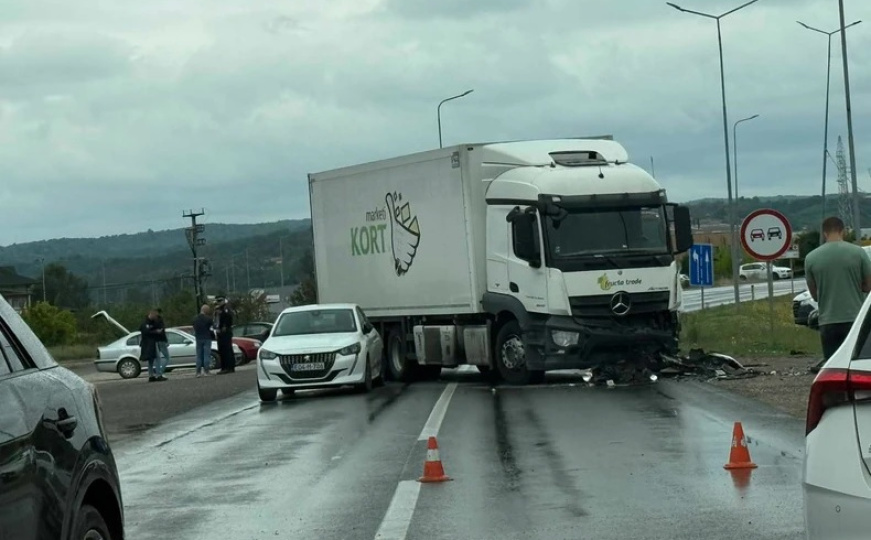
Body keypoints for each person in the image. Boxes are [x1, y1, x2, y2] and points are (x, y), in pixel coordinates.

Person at [805, 216, 871, 372]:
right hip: (855, 319)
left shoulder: (811, 258)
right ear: (843, 231)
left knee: (833, 367)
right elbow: (869, 286)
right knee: (857, 367)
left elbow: (814, 295)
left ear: (824, 233)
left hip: (828, 321)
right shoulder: (858, 253)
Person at [139, 309, 164, 382]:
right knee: (156, 358)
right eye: (155, 315)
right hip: (148, 343)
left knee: (151, 360)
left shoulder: (152, 322)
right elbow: (146, 332)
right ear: (151, 314)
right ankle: (158, 375)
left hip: (152, 342)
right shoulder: (145, 323)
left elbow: (158, 326)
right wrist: (156, 332)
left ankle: (151, 375)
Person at [215, 296, 236, 374]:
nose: (219, 302)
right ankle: (224, 367)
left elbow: (228, 318)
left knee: (227, 350)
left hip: (225, 332)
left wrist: (225, 326)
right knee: (222, 350)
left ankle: (228, 367)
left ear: (224, 301)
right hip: (220, 332)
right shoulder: (218, 310)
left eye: (220, 301)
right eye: (218, 301)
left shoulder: (226, 309)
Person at [192, 304, 214, 377]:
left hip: (198, 338)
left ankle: (198, 372)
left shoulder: (195, 318)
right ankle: (206, 371)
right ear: (206, 310)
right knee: (206, 355)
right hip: (207, 337)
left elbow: (194, 328)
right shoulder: (208, 319)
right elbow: (211, 328)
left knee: (199, 355)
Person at [153, 308, 170, 381]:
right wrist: (166, 341)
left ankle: (157, 372)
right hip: (161, 340)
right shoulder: (160, 320)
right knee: (167, 357)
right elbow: (162, 332)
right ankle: (160, 371)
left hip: (155, 341)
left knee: (157, 358)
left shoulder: (152, 321)